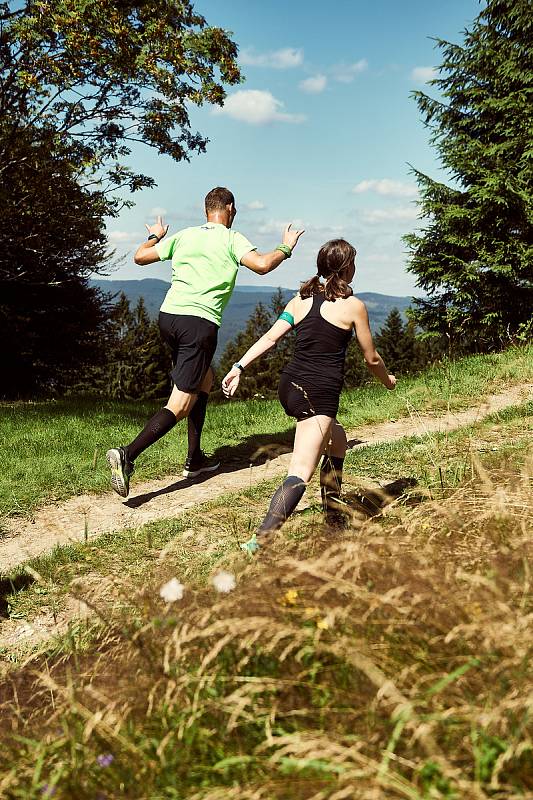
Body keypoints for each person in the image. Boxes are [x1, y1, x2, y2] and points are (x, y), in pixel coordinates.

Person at [106, 186, 304, 498]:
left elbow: (140, 256)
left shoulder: (185, 235)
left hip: (168, 318)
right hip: (198, 325)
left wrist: (157, 235)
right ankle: (127, 455)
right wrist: (287, 246)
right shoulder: (232, 238)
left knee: (205, 381)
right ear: (232, 209)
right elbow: (263, 265)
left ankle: (195, 458)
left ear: (205, 211)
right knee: (180, 404)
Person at [221, 238, 396, 553]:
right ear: (346, 268)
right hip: (318, 394)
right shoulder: (353, 306)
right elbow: (371, 359)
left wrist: (239, 366)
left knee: (337, 441)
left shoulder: (300, 299)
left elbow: (273, 337)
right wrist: (388, 382)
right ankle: (259, 543)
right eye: (353, 263)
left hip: (290, 388)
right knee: (301, 469)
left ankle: (333, 517)